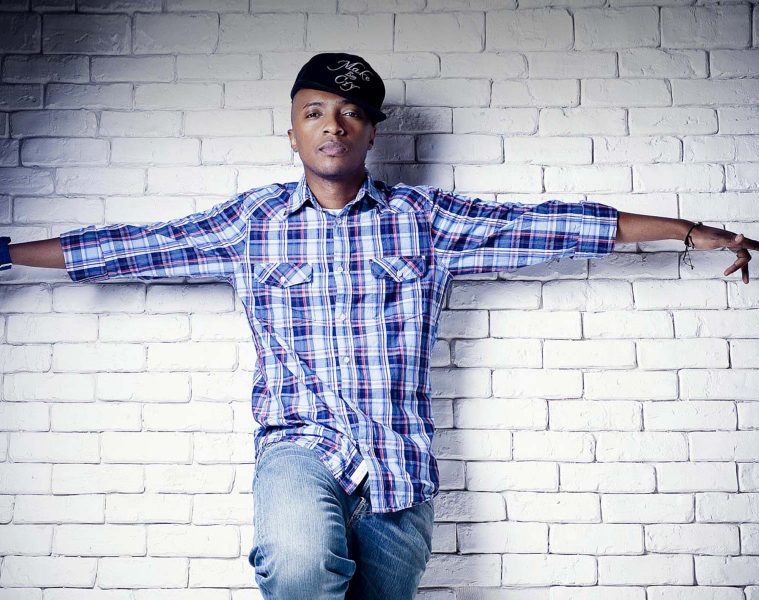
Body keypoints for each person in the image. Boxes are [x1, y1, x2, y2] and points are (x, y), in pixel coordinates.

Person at [2, 52, 757, 600]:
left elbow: (555, 225)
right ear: (292, 132)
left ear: (370, 132)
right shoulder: (250, 224)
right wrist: (6, 253)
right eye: (314, 113)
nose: (332, 126)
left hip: (399, 466)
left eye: (350, 113)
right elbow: (132, 246)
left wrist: (690, 232)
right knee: (298, 566)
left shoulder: (424, 220)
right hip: (299, 446)